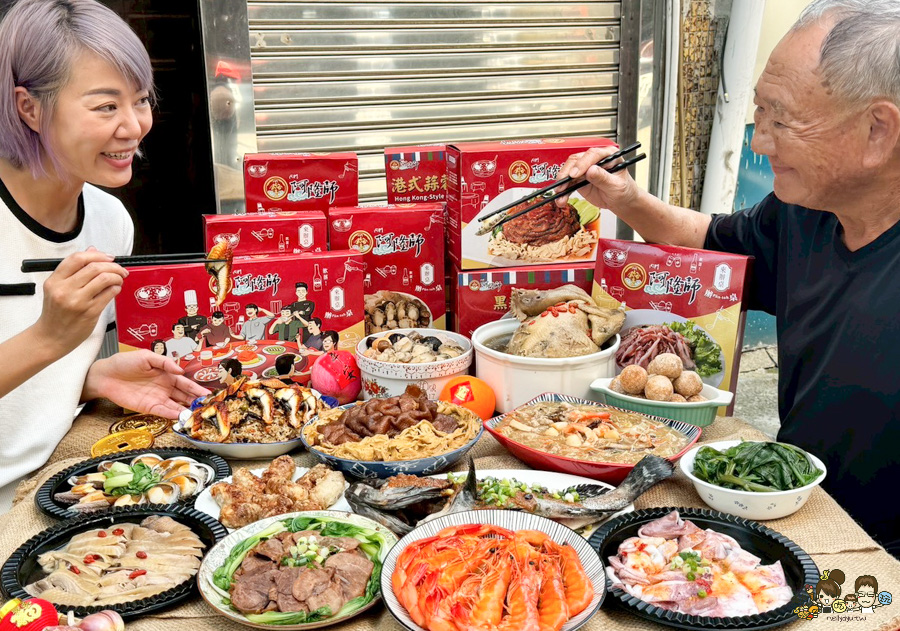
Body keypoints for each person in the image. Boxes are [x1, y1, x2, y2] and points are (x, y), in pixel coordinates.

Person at [558, 0, 900, 556]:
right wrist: (629, 199)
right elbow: (713, 242)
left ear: (877, 130)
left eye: (781, 119)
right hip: (787, 508)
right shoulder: (805, 209)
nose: (760, 141)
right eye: (758, 112)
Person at [0, 0, 208, 512]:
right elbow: (39, 342)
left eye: (140, 100)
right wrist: (49, 337)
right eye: (105, 106)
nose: (134, 126)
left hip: (63, 486)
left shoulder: (110, 220)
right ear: (30, 107)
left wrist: (90, 378)